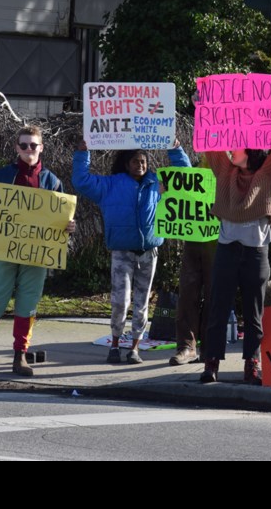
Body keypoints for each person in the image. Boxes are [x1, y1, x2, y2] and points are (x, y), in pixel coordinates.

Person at [0, 125, 76, 377]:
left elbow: (59, 220)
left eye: (33, 145)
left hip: (37, 254)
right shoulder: (3, 175)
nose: (28, 150)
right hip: (4, 251)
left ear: (41, 148)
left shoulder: (51, 180)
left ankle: (20, 356)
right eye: (23, 145)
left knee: (28, 305)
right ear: (16, 148)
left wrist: (68, 226)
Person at [200, 96, 271, 385]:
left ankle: (252, 364)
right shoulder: (224, 172)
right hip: (228, 250)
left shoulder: (267, 175)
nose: (231, 149)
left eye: (237, 146)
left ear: (251, 151)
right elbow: (211, 144)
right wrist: (202, 109)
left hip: (256, 253)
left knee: (254, 313)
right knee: (217, 308)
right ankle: (212, 363)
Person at [73, 138, 190, 365]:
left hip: (149, 251)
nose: (140, 165)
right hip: (121, 252)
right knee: (120, 301)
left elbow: (185, 175)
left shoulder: (158, 183)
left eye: (144, 161)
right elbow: (81, 181)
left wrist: (176, 149)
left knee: (142, 302)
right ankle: (115, 346)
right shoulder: (110, 185)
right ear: (125, 164)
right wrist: (82, 154)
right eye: (135, 161)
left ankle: (134, 348)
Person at [169, 155, 217, 367]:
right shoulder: (196, 169)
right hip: (194, 238)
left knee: (213, 295)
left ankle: (209, 349)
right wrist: (167, 191)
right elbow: (181, 188)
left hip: (218, 241)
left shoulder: (230, 167)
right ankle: (186, 347)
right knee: (188, 292)